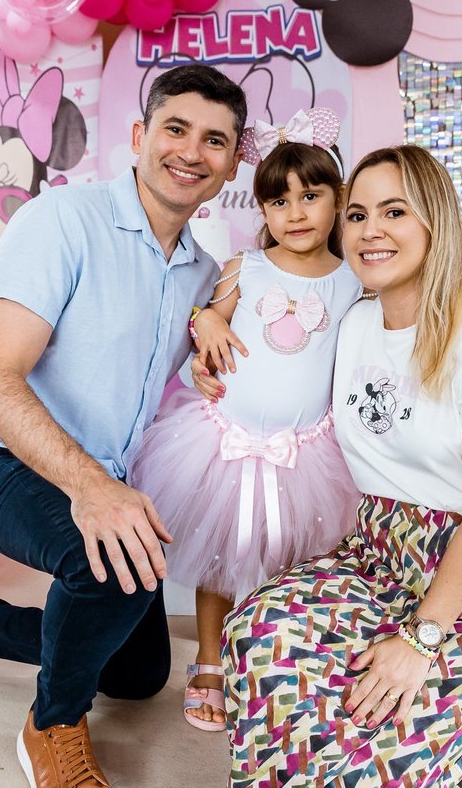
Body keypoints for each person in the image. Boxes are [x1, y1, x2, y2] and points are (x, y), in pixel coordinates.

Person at [0, 64, 246, 788]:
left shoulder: (204, 275)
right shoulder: (62, 220)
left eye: (215, 139)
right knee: (118, 567)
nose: (192, 151)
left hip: (100, 476)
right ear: (138, 137)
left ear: (231, 162)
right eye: (175, 128)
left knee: (136, 673)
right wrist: (92, 488)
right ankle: (51, 724)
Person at [202, 145, 462, 785]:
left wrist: (421, 642)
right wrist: (208, 334)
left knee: (376, 747)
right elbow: (272, 344)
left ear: (434, 220)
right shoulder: (356, 322)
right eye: (358, 213)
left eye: (394, 211)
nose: (370, 231)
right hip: (373, 554)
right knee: (260, 632)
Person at [127, 108, 363, 733]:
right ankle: (209, 660)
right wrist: (204, 320)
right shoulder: (246, 267)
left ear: (337, 201)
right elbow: (209, 316)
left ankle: (281, 655)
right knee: (220, 557)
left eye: (311, 197)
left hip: (305, 450)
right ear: (260, 209)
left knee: (296, 562)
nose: (295, 213)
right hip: (224, 443)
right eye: (278, 201)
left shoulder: (353, 281)